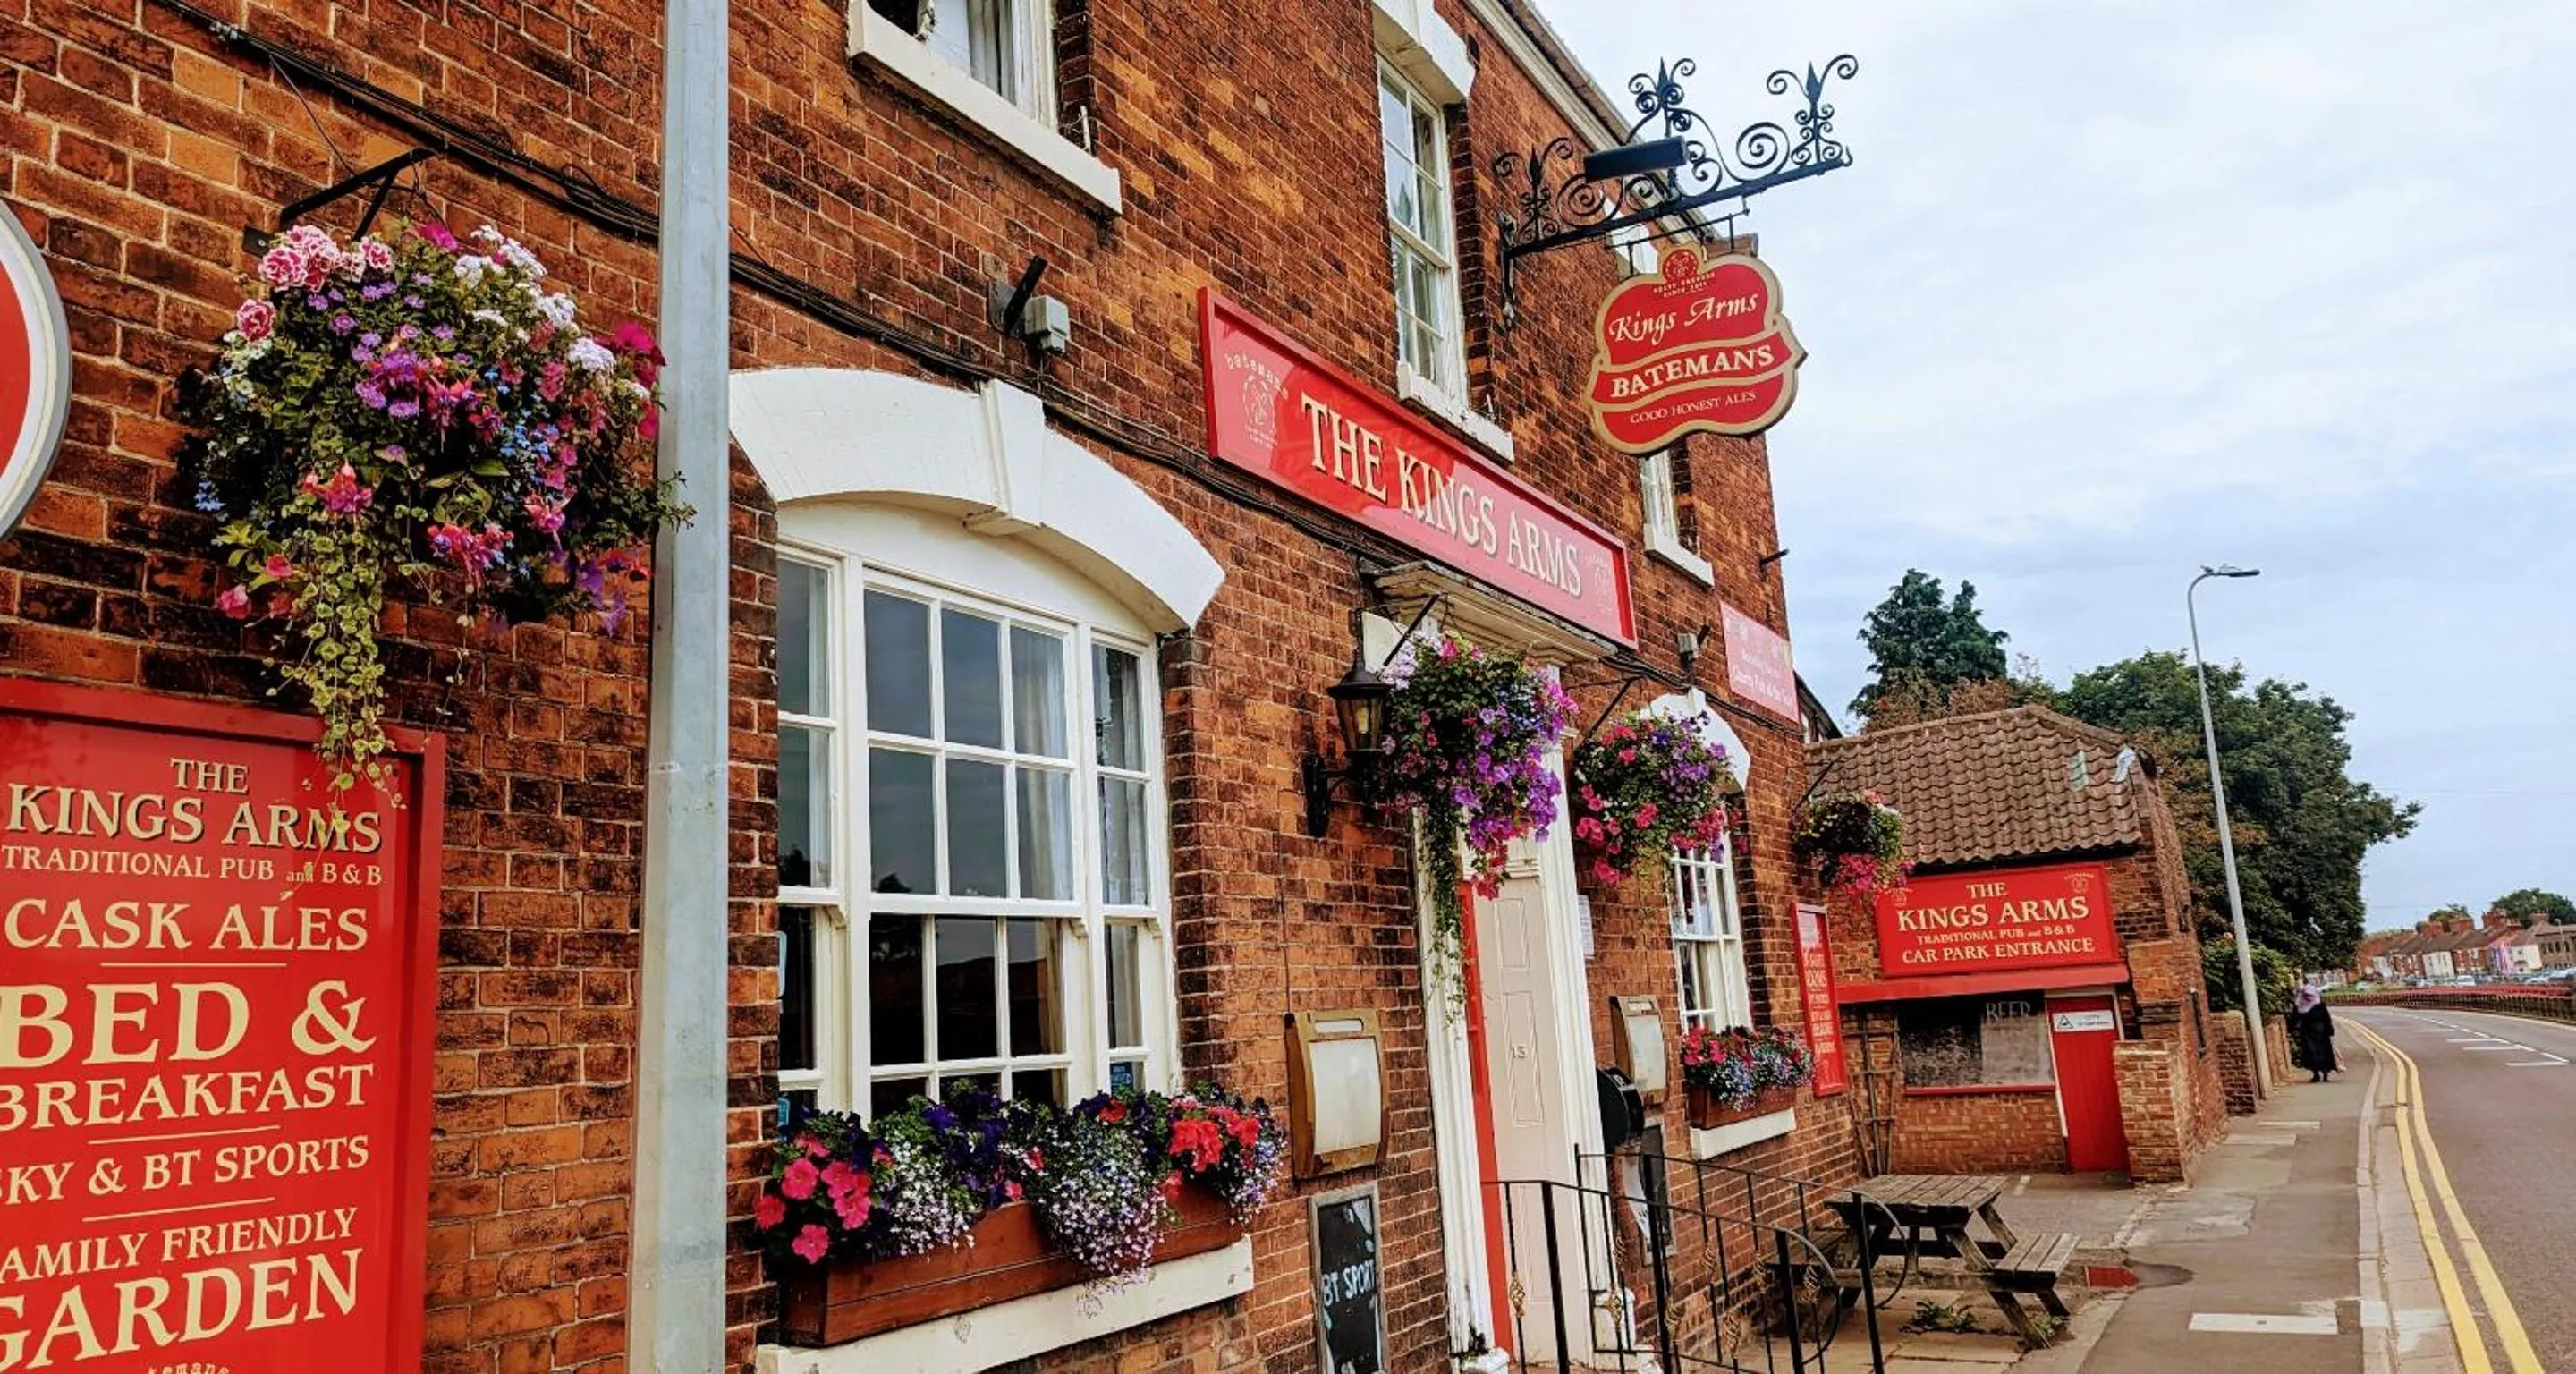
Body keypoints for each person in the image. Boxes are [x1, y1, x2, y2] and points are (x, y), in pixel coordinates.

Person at [2291, 983, 2338, 1082]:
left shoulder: (2314, 1003)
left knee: (2320, 1052)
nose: (2308, 998)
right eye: (2306, 995)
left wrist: (2329, 1029)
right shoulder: (2304, 1003)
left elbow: (2326, 1017)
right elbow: (2295, 1018)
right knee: (2313, 1052)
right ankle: (2318, 1074)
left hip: (2318, 1031)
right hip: (2311, 1031)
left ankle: (2323, 1074)